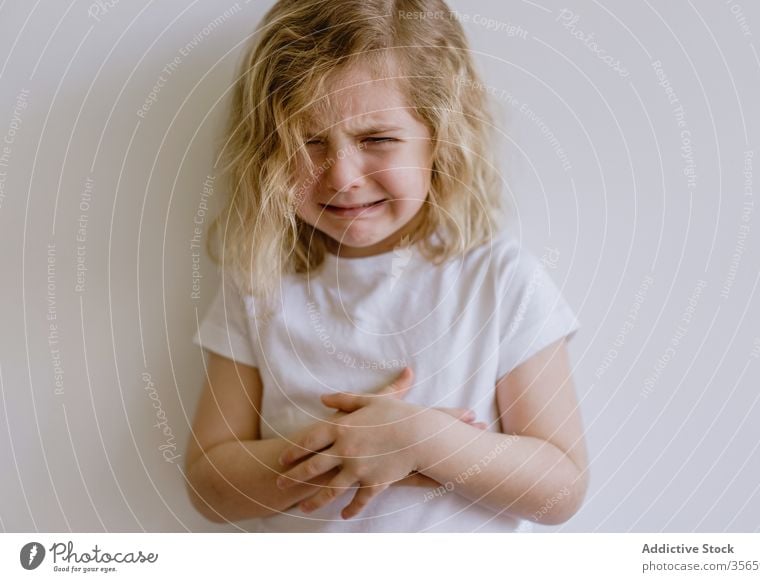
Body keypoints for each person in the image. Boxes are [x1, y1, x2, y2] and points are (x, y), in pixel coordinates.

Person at [185, 0, 588, 532]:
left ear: (439, 142)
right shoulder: (258, 282)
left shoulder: (496, 280)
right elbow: (210, 485)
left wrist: (423, 441)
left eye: (376, 139)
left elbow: (558, 488)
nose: (342, 175)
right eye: (308, 142)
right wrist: (340, 450)